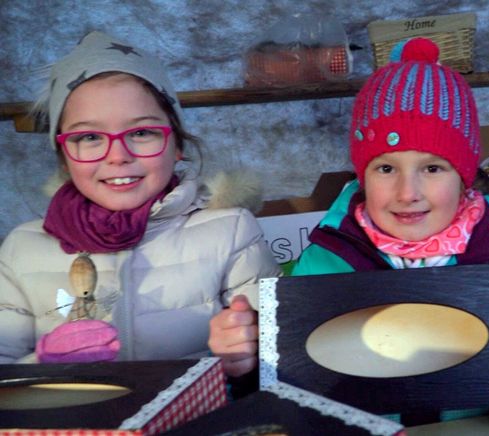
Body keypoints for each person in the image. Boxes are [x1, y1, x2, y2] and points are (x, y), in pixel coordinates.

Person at [210, 37, 489, 427]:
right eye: (386, 168)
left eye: (433, 168)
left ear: (465, 178)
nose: (407, 193)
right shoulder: (323, 265)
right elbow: (291, 411)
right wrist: (246, 366)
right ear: (362, 176)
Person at [0, 31, 280, 364]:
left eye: (141, 132)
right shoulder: (22, 250)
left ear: (177, 145)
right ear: (64, 156)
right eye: (89, 136)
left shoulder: (230, 232)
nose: (117, 155)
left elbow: (278, 353)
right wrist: (42, 365)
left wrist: (243, 360)